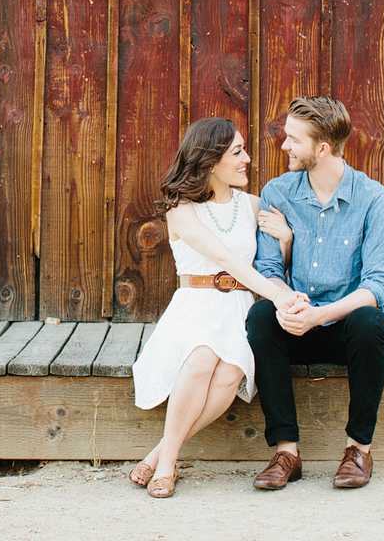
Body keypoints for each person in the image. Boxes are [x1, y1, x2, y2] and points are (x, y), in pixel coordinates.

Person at [127, 117, 307, 498]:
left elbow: (272, 265)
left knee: (230, 373)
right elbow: (225, 257)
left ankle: (159, 453)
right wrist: (277, 297)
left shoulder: (255, 205)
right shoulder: (181, 209)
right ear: (210, 162)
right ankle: (169, 464)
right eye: (237, 152)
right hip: (195, 305)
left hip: (239, 306)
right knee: (202, 358)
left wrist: (286, 239)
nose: (248, 159)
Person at [245, 95, 384, 491]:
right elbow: (268, 270)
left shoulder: (374, 200)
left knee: (371, 320)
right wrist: (287, 301)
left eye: (293, 139)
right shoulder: (277, 192)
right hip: (297, 324)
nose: (284, 146)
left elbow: (377, 285)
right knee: (260, 317)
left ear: (322, 148)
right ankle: (286, 451)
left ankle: (358, 448)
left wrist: (321, 315)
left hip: (346, 331)